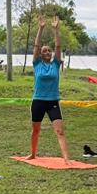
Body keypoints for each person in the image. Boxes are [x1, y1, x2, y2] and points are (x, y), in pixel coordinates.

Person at [25, 14, 71, 163]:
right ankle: (32, 154)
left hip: (52, 102)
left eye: (48, 51)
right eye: (44, 51)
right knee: (36, 130)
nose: (46, 52)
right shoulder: (36, 63)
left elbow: (58, 46)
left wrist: (56, 30)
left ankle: (66, 158)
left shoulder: (56, 64)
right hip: (38, 101)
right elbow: (36, 46)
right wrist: (41, 28)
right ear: (40, 54)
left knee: (60, 131)